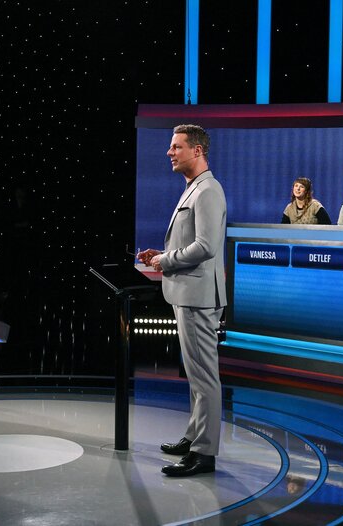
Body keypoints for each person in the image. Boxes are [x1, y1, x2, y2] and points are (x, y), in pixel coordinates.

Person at [137, 124, 226, 477]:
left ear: (197, 151)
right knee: (196, 376)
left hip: (198, 297)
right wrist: (162, 253)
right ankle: (194, 437)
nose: (169, 153)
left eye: (176, 147)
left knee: (204, 378)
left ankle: (204, 454)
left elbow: (206, 246)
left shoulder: (208, 191)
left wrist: (165, 261)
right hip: (187, 293)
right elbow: (192, 241)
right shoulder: (195, 188)